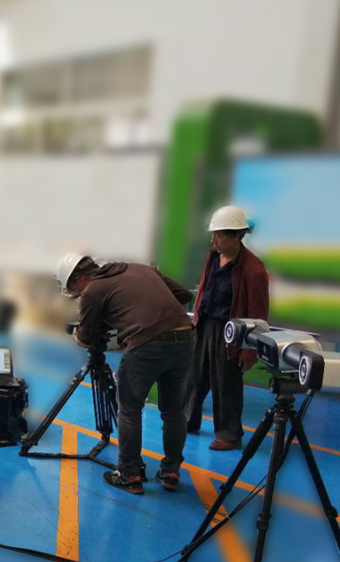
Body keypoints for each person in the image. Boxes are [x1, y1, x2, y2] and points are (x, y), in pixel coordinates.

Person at [57, 253, 195, 494]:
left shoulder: (92, 290)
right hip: (185, 338)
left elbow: (86, 339)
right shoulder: (140, 268)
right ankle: (171, 471)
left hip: (147, 344)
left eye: (74, 291)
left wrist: (75, 336)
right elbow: (184, 294)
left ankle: (129, 474)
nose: (78, 295)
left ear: (78, 279)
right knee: (174, 411)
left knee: (130, 409)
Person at [185, 204, 269, 451]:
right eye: (213, 235)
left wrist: (249, 350)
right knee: (194, 376)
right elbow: (204, 289)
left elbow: (258, 314)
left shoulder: (253, 270)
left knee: (226, 384)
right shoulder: (212, 257)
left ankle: (230, 434)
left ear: (236, 236)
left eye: (218, 236)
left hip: (231, 333)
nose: (213, 240)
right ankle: (187, 419)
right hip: (206, 325)